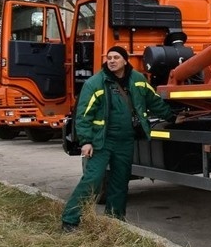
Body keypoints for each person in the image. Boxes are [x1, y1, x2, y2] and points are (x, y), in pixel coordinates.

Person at [61, 46, 176, 232]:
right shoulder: (95, 83)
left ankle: (114, 221)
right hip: (101, 141)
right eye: (109, 58)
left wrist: (173, 117)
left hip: (126, 140)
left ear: (125, 60)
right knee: (93, 180)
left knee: (120, 181)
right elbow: (83, 116)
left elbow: (153, 100)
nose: (112, 61)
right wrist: (86, 141)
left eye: (116, 57)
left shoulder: (138, 80)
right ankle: (70, 219)